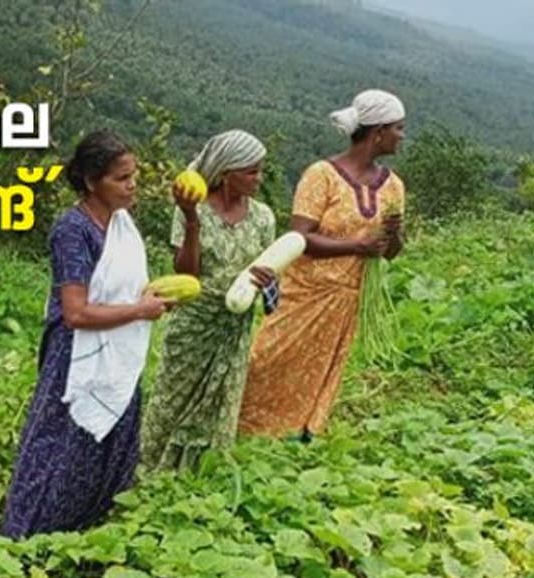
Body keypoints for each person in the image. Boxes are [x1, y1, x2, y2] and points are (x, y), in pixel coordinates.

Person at [1, 130, 171, 539]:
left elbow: (122, 288)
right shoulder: (72, 230)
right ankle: (28, 536)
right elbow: (75, 312)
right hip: (78, 354)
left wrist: (150, 300)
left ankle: (86, 528)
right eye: (121, 178)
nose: (132, 185)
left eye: (134, 175)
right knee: (61, 444)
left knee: (109, 443)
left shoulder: (121, 225)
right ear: (93, 181)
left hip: (118, 351)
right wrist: (140, 310)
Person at [238, 89, 407, 440]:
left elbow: (390, 253)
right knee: (266, 359)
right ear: (377, 133)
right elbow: (299, 238)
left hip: (345, 299)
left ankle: (298, 433)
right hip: (306, 293)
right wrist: (357, 245)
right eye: (398, 128)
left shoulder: (393, 187)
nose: (402, 136)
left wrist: (392, 236)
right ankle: (243, 426)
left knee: (318, 369)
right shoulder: (322, 175)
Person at [141, 130, 277, 471]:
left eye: (260, 170)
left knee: (220, 403)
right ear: (226, 174)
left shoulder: (263, 217)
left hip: (236, 323)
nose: (259, 179)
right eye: (251, 172)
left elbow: (273, 277)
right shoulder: (193, 209)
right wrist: (191, 220)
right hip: (195, 323)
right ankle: (149, 471)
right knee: (171, 400)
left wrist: (267, 283)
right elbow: (187, 272)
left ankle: (200, 475)